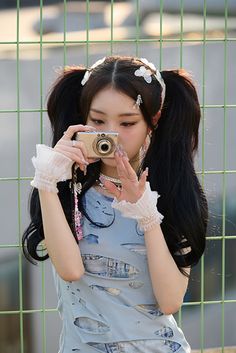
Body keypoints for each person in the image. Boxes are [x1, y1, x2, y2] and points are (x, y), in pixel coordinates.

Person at [22, 55, 208, 353]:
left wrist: (147, 214)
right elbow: (70, 270)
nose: (111, 134)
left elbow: (171, 300)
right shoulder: (68, 188)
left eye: (127, 122)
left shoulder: (172, 191)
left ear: (153, 121)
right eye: (97, 120)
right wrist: (46, 181)